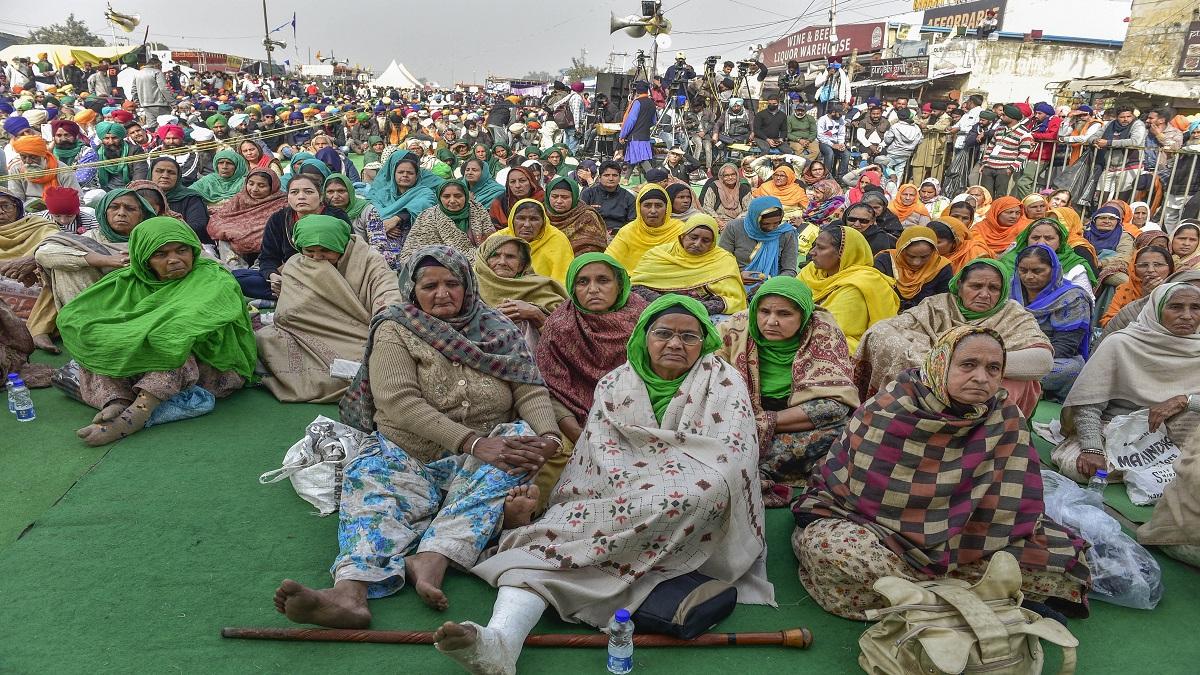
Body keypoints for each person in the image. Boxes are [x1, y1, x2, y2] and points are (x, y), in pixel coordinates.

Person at [439, 294, 774, 675]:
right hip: (616, 491)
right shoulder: (615, 383)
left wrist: (659, 486)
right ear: (643, 337)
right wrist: (637, 484)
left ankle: (520, 620)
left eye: (689, 337)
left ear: (706, 342)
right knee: (549, 542)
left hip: (684, 499)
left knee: (682, 497)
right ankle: (500, 641)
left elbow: (731, 456)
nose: (675, 344)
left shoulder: (725, 381)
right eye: (663, 333)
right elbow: (597, 455)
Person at [274, 245, 562, 627]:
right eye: (429, 286)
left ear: (468, 285)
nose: (442, 293)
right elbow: (398, 401)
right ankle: (350, 593)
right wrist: (474, 442)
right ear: (411, 289)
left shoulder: (497, 328)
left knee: (519, 442)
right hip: (409, 453)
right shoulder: (396, 327)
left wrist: (549, 436)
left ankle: (433, 557)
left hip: (482, 458)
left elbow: (528, 387)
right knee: (371, 486)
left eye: (451, 283)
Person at [793, 326, 1090, 621]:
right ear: (941, 363)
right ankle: (986, 600)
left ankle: (927, 599)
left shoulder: (1004, 415)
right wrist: (926, 529)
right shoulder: (891, 407)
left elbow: (1014, 502)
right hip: (882, 531)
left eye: (993, 368)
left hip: (965, 540)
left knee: (1059, 564)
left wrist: (955, 530)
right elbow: (861, 491)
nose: (981, 377)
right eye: (968, 365)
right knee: (835, 551)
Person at [57, 217, 256, 447]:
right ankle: (116, 400)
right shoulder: (128, 280)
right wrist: (118, 334)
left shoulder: (214, 277)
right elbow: (76, 315)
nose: (174, 260)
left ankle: (136, 415)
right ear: (145, 259)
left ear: (193, 250)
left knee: (171, 342)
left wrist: (140, 333)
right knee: (97, 342)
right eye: (160, 255)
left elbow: (188, 323)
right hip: (146, 356)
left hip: (212, 366)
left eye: (182, 250)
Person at [717, 276, 858, 506]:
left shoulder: (822, 333)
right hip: (739, 418)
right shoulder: (736, 328)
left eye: (784, 314)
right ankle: (758, 466)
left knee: (842, 432)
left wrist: (762, 423)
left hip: (788, 420)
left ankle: (751, 466)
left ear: (802, 315)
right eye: (764, 312)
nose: (771, 321)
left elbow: (835, 403)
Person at [855, 259, 1052, 417]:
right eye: (976, 286)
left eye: (993, 288)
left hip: (979, 389)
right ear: (959, 285)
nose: (984, 294)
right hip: (925, 379)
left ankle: (982, 435)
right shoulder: (938, 305)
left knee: (1018, 382)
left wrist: (965, 365)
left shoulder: (1012, 315)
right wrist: (937, 366)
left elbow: (1042, 361)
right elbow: (882, 330)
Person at [1055, 282, 1200, 484]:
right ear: (1156, 310)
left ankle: (1175, 470)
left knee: (1193, 417)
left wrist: (1184, 400)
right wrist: (1092, 448)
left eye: (1196, 307)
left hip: (1170, 431)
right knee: (1083, 469)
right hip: (1116, 430)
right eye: (1175, 307)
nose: (1187, 315)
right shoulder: (1121, 344)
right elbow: (1088, 405)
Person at [256, 215, 401, 403]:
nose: (317, 257)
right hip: (305, 333)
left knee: (379, 366)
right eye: (310, 251)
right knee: (264, 338)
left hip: (358, 333)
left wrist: (383, 331)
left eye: (325, 251)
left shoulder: (369, 262)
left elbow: (388, 295)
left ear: (341, 245)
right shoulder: (295, 263)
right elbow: (286, 314)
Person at [536, 252, 648, 449]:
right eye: (582, 282)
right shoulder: (561, 326)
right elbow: (551, 387)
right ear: (572, 286)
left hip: (642, 415)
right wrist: (582, 438)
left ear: (620, 284)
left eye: (603, 280)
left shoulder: (643, 318)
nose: (593, 289)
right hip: (578, 420)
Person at [233, 173, 350, 300]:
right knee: (237, 277)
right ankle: (298, 293)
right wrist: (272, 276)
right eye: (294, 192)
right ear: (287, 197)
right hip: (291, 275)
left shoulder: (336, 217)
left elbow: (348, 253)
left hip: (329, 273)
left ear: (320, 196)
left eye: (309, 192)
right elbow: (268, 257)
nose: (301, 197)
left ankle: (299, 294)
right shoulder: (279, 219)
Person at [798, 225, 899, 352]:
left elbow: (827, 329)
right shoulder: (812, 271)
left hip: (838, 345)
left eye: (821, 248)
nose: (812, 252)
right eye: (815, 245)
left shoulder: (859, 284)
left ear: (843, 253)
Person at [1011, 244, 1092, 401]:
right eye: (1023, 270)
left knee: (1072, 369)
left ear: (1053, 269)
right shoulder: (1009, 289)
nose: (1028, 277)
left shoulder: (1073, 298)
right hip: (1009, 351)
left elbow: (1066, 346)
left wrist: (1026, 359)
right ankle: (1028, 386)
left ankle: (1023, 385)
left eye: (1037, 271)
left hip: (1049, 356)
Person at [631, 213, 746, 318]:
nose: (697, 244)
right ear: (683, 236)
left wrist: (692, 307)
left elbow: (733, 299)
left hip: (704, 313)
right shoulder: (658, 255)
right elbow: (636, 287)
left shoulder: (723, 260)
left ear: (713, 243)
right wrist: (667, 303)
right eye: (693, 237)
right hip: (658, 307)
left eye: (705, 240)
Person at [472, 233, 568, 353]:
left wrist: (536, 314)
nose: (502, 262)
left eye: (510, 257)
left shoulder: (543, 287)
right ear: (483, 260)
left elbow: (567, 338)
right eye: (495, 255)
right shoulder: (468, 287)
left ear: (521, 265)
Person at [998, 217, 1096, 300]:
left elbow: (1085, 301)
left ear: (1060, 242)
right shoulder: (1009, 261)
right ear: (1026, 240)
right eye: (1035, 238)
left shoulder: (1074, 267)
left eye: (1048, 238)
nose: (1041, 243)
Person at [367, 150, 445, 253]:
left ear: (417, 175)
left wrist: (396, 219)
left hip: (415, 240)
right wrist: (384, 223)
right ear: (393, 172)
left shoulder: (424, 192)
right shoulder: (382, 193)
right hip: (383, 237)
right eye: (400, 172)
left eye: (410, 172)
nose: (405, 175)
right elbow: (372, 209)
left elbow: (425, 203)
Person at [400, 180, 493, 265]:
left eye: (458, 196)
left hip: (481, 261)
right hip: (440, 266)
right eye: (446, 196)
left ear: (466, 196)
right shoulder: (428, 216)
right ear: (439, 198)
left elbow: (491, 242)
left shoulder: (478, 210)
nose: (452, 201)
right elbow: (413, 251)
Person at [207, 169, 285, 268]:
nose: (254, 189)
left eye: (261, 186)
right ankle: (235, 269)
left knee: (271, 238)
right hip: (236, 240)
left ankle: (259, 269)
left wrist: (246, 234)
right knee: (224, 239)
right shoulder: (240, 199)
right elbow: (218, 219)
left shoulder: (281, 202)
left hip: (264, 247)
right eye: (251, 184)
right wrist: (232, 232)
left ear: (272, 187)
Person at [489, 199, 573, 284]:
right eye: (521, 218)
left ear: (543, 222)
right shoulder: (498, 240)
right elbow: (482, 271)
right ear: (512, 220)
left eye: (534, 219)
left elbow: (563, 280)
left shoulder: (556, 240)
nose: (527, 225)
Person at [604, 184, 685, 272]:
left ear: (667, 208)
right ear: (639, 208)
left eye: (658, 206)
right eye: (647, 205)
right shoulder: (628, 231)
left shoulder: (679, 230)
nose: (653, 211)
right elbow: (609, 259)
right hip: (634, 280)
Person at [873, 227, 953, 311]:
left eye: (924, 257)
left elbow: (943, 301)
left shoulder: (941, 267)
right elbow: (875, 293)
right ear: (901, 249)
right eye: (911, 256)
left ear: (933, 252)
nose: (916, 262)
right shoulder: (885, 261)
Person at [1100, 244, 1173, 326]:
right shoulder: (1125, 289)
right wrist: (1144, 299)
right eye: (1143, 265)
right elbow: (1108, 324)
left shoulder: (1179, 289)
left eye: (1158, 265)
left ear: (1170, 268)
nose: (1150, 270)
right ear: (1133, 269)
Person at [148, 157, 210, 244]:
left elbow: (198, 225)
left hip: (187, 243)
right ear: (150, 174)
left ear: (178, 177)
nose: (165, 176)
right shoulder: (141, 197)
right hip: (147, 241)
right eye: (160, 171)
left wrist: (165, 236)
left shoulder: (191, 197)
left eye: (171, 172)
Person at [7, 134, 82, 204]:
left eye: (33, 157)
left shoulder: (62, 169)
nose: (28, 161)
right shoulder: (16, 169)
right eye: (23, 157)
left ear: (43, 155)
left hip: (59, 212)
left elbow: (78, 198)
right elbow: (16, 200)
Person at [542, 176, 607, 256]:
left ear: (574, 197)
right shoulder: (540, 212)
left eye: (565, 197)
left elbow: (593, 249)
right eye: (554, 196)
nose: (559, 201)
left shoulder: (586, 216)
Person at [978, 105, 1033, 198]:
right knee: (986, 196)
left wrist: (1011, 168)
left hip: (1004, 169)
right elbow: (991, 146)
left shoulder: (1024, 133)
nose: (1000, 116)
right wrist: (985, 163)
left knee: (1001, 196)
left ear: (1012, 117)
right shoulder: (999, 129)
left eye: (1004, 115)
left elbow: (1024, 153)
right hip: (989, 167)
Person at [580, 161, 636, 233]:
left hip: (620, 235)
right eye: (606, 175)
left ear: (620, 178)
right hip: (592, 234)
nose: (611, 178)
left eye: (615, 175)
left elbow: (632, 223)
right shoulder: (588, 194)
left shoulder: (628, 197)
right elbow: (580, 218)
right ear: (599, 178)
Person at [928, 215, 992, 273]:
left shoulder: (975, 253)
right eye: (929, 240)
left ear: (954, 242)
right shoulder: (926, 253)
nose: (930, 245)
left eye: (938, 242)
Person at [697, 162, 753, 228]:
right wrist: (719, 222)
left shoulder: (744, 188)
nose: (730, 177)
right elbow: (707, 207)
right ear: (721, 177)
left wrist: (733, 224)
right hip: (717, 221)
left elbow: (748, 209)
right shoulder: (714, 186)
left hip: (738, 222)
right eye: (726, 175)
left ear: (737, 175)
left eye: (733, 174)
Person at [617, 81, 656, 174]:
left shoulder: (637, 102)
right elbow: (653, 121)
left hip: (636, 136)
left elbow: (631, 120)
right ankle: (626, 178)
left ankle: (654, 178)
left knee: (642, 159)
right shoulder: (652, 103)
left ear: (637, 91)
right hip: (645, 135)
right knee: (633, 157)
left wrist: (622, 134)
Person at [816, 103, 849, 176]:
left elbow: (841, 134)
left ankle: (842, 176)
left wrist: (841, 143)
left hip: (836, 142)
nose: (841, 116)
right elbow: (820, 136)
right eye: (839, 114)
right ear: (833, 112)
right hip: (824, 142)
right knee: (830, 153)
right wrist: (832, 145)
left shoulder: (841, 120)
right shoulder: (822, 120)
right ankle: (827, 175)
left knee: (846, 154)